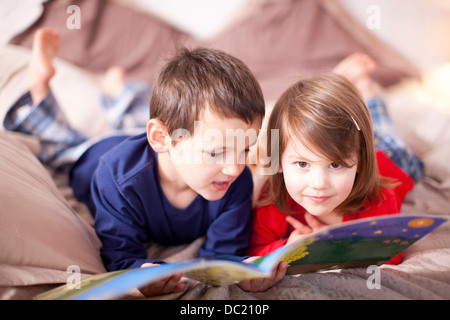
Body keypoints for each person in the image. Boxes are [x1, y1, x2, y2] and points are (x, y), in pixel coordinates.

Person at [3, 28, 286, 296]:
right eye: (216, 152)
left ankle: (116, 89)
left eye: (245, 149)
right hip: (98, 150)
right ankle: (41, 84)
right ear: (161, 139)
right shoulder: (117, 177)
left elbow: (223, 256)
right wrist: (140, 274)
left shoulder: (235, 182)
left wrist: (240, 271)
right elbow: (120, 255)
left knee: (139, 114)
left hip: (157, 139)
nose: (236, 168)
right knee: (60, 140)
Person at [248, 54, 423, 267]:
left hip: (395, 161)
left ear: (360, 162)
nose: (319, 183)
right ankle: (338, 88)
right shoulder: (273, 199)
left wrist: (337, 244)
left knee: (381, 127)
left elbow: (390, 255)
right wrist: (288, 248)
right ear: (278, 162)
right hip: (348, 144)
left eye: (335, 164)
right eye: (302, 164)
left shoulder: (379, 198)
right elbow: (254, 252)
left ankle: (366, 88)